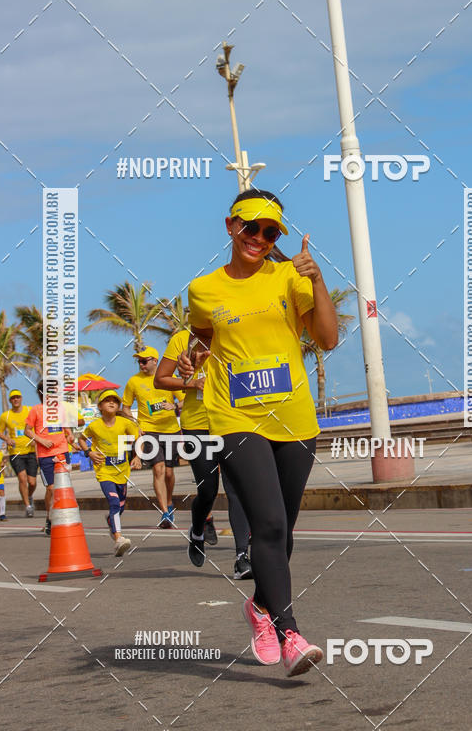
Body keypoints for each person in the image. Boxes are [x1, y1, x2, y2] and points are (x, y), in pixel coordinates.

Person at [178, 188, 338, 676]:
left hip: (292, 417)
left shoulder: (291, 276)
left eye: (271, 233)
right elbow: (204, 338)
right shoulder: (203, 289)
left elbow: (326, 339)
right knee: (266, 524)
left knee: (281, 532)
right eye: (252, 228)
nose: (261, 238)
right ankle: (291, 634)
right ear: (231, 226)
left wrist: (319, 279)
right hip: (234, 418)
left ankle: (260, 609)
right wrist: (194, 357)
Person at [155, 329, 253, 579]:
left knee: (237, 489)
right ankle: (197, 530)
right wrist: (191, 382)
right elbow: (161, 380)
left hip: (232, 420)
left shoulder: (232, 331)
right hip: (196, 424)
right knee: (208, 489)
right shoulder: (182, 339)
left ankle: (242, 557)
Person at [120, 347, 181, 528]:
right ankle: (164, 513)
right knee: (158, 469)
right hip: (148, 431)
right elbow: (125, 408)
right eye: (139, 361)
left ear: (155, 360)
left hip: (171, 430)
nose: (141, 364)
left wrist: (174, 406)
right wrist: (135, 425)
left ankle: (169, 503)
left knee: (169, 473)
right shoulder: (133, 382)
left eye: (144, 361)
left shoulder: (168, 377)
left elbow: (185, 400)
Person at [78, 389, 141, 557]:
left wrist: (137, 457)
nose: (112, 402)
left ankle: (111, 522)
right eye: (107, 400)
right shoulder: (94, 425)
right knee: (113, 503)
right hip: (104, 471)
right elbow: (81, 439)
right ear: (100, 406)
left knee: (120, 507)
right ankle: (119, 539)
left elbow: (139, 439)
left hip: (122, 472)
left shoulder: (125, 423)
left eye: (115, 400)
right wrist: (89, 453)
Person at [24, 382, 81, 535]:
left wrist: (71, 439)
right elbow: (27, 431)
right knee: (51, 488)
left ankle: (61, 519)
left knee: (62, 487)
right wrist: (41, 441)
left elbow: (66, 429)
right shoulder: (35, 410)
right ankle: (49, 519)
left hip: (62, 452)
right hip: (45, 455)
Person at [0, 389, 37, 517]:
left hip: (30, 451)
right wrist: (7, 439)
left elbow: (37, 425)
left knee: (32, 482)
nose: (15, 400)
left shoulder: (29, 410)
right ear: (10, 400)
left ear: (21, 398)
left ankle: (29, 496)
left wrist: (35, 439)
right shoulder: (6, 416)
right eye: (13, 398)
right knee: (22, 479)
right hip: (16, 452)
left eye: (17, 397)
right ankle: (28, 506)